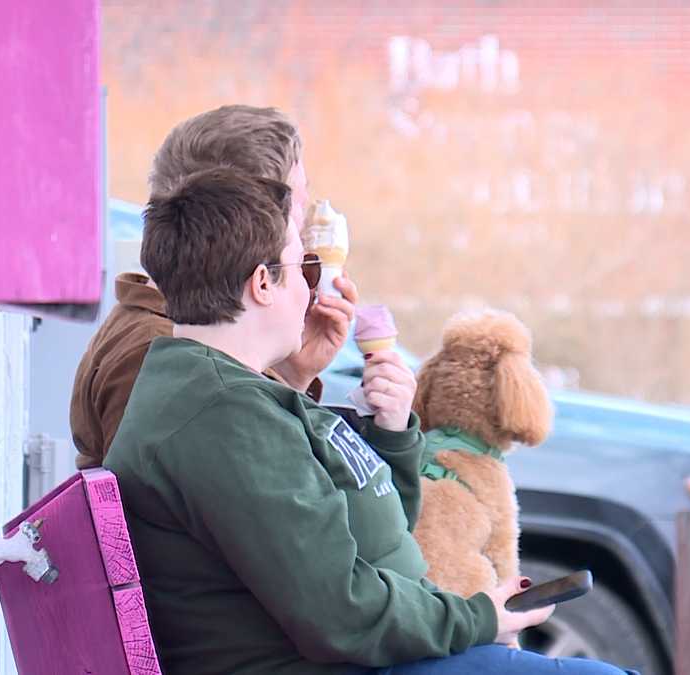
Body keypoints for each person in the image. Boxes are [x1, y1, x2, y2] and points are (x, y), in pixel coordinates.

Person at [104, 167, 639, 675]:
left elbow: (367, 530)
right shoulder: (225, 419)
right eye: (304, 268)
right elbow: (342, 614)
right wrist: (480, 618)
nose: (314, 290)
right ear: (262, 283)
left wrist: (390, 431)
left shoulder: (218, 391)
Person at [70, 105, 356, 470]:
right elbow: (254, 498)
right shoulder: (160, 356)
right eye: (297, 205)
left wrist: (291, 374)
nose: (304, 227)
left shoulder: (178, 336)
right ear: (245, 217)